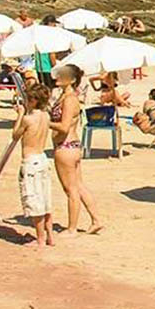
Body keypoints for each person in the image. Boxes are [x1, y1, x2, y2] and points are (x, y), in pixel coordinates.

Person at [49, 64, 104, 236]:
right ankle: (96, 220)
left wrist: (44, 121)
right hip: (71, 147)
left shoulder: (70, 99)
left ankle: (72, 228)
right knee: (78, 186)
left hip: (65, 147)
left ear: (72, 79)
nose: (58, 77)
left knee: (70, 189)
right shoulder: (65, 97)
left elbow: (64, 127)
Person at [12, 81, 55, 248]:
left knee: (35, 201)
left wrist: (20, 115)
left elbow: (15, 135)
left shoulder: (28, 119)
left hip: (30, 162)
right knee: (45, 199)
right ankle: (50, 235)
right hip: (42, 158)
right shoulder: (46, 116)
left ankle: (40, 239)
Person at [35, 14, 59, 86]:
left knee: (44, 88)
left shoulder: (39, 35)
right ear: (50, 24)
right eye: (54, 24)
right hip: (47, 67)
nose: (55, 26)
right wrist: (55, 67)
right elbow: (52, 54)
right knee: (49, 89)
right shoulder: (50, 37)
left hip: (39, 67)